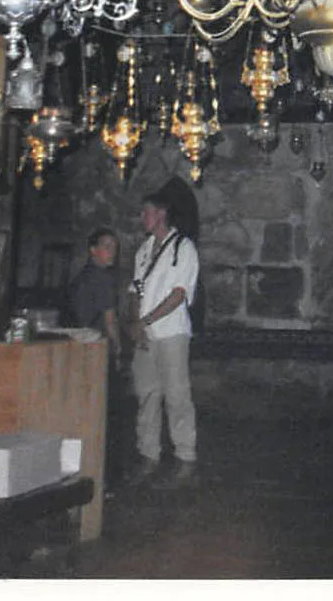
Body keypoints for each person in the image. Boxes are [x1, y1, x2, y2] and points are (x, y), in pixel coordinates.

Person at [124, 177, 201, 488]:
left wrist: (146, 321)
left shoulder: (183, 248)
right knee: (147, 395)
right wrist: (134, 322)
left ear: (161, 214)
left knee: (177, 395)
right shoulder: (143, 251)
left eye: (147, 213)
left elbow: (179, 294)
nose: (143, 218)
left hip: (171, 334)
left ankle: (185, 457)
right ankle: (149, 455)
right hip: (145, 336)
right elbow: (134, 291)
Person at [65, 227, 123, 368]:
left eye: (114, 248)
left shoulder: (83, 275)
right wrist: (117, 348)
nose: (112, 252)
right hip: (97, 344)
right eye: (107, 247)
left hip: (78, 343)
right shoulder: (102, 278)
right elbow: (109, 320)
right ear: (93, 250)